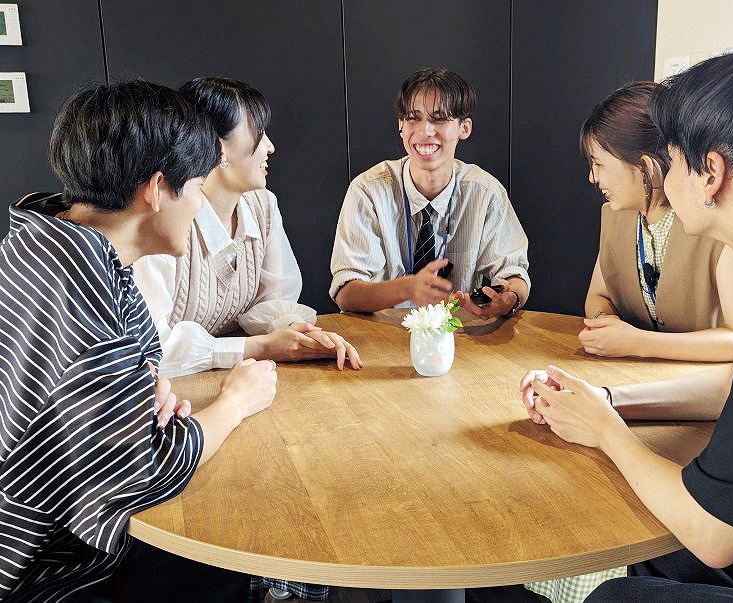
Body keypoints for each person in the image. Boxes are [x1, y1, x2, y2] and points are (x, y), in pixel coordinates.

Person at [520, 48, 733, 602]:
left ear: (711, 173)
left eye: (671, 160)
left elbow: (717, 536)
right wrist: (609, 400)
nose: (665, 178)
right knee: (649, 551)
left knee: (616, 596)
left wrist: (606, 431)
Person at [0, 81, 276, 602]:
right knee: (223, 539)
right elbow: (149, 471)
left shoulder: (43, 239)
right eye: (195, 188)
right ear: (155, 190)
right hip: (44, 570)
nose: (198, 205)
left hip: (49, 523)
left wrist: (136, 401)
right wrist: (236, 401)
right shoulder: (85, 305)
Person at [134, 77, 362, 380]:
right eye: (258, 131)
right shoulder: (163, 218)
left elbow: (274, 300)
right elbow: (149, 347)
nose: (270, 146)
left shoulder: (262, 205)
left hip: (240, 378)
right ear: (218, 147)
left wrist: (300, 334)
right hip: (169, 394)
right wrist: (258, 348)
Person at [578, 82, 733, 362]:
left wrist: (637, 342)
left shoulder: (715, 223)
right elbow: (598, 297)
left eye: (599, 164)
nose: (593, 177)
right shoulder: (614, 215)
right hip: (629, 377)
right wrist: (607, 325)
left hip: (705, 389)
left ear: (646, 166)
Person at [330, 67, 530, 319]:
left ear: (464, 128)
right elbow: (346, 292)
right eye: (413, 118)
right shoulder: (368, 190)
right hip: (382, 336)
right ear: (400, 125)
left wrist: (507, 299)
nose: (424, 131)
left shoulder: (485, 192)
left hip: (459, 337)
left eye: (439, 119)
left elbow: (516, 275)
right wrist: (406, 289)